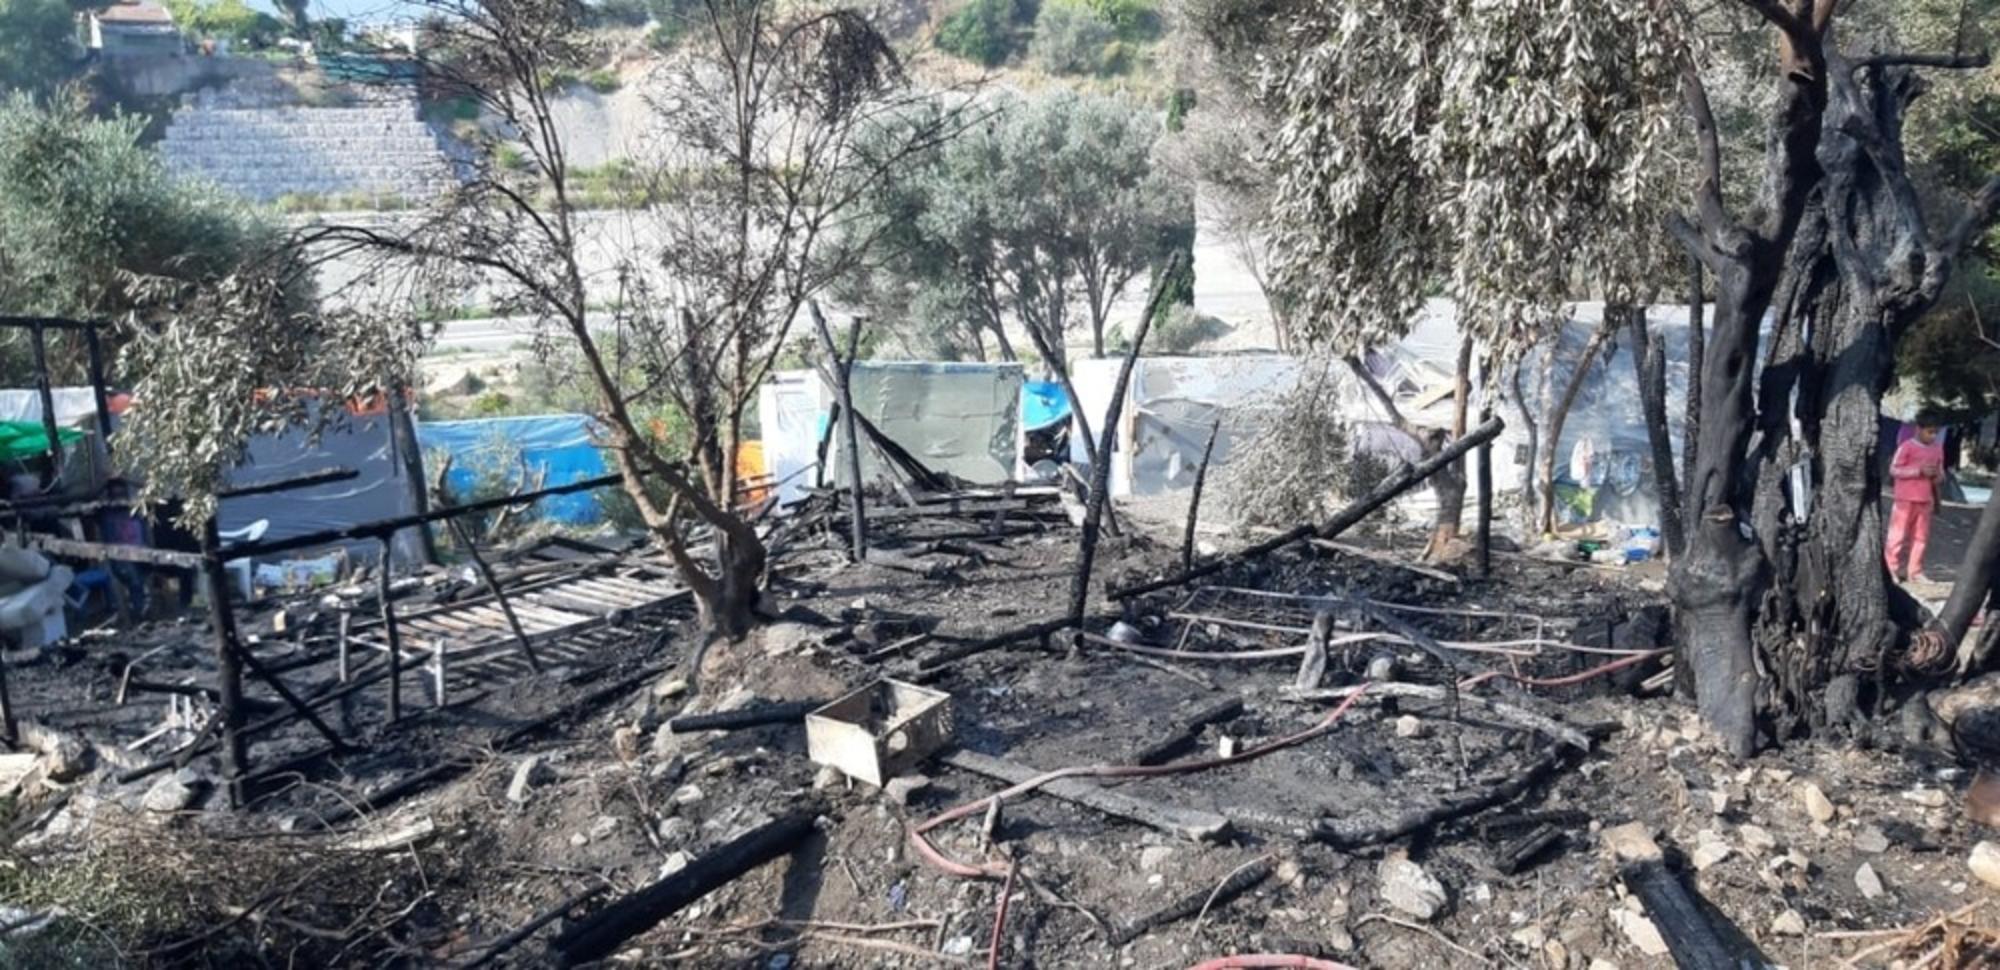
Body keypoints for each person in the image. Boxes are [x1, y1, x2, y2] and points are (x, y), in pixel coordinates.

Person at [1886, 414, 1946, 582]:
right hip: (1904, 498)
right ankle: (1891, 567)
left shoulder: (1937, 448)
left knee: (1921, 537)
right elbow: (1894, 470)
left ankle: (1915, 571)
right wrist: (1918, 471)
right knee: (1898, 535)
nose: (1933, 436)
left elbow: (1941, 473)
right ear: (1918, 429)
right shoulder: (1906, 447)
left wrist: (1936, 476)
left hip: (1926, 499)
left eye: (1935, 432)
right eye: (1929, 432)